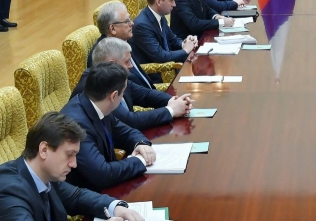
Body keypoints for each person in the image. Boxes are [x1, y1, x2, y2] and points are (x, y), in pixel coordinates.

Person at [0, 111, 144, 220]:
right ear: (44, 150)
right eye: (69, 154)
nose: (74, 164)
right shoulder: (9, 193)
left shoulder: (45, 175)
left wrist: (116, 208)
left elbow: (76, 196)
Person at [61, 62, 156, 191]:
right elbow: (102, 174)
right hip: (87, 195)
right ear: (113, 96)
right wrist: (140, 160)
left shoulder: (95, 103)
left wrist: (140, 143)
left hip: (108, 183)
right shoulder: (76, 125)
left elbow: (124, 131)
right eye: (123, 93)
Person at [74, 37, 192, 130]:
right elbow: (130, 121)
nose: (131, 66)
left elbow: (145, 94)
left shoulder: (115, 77)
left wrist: (173, 101)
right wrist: (171, 110)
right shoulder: (96, 86)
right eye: (127, 61)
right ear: (112, 63)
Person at [90, 1, 159, 89]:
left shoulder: (123, 42)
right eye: (127, 21)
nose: (132, 23)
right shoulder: (106, 55)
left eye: (130, 19)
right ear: (113, 28)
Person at [130, 0, 198, 65]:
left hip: (169, 66)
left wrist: (186, 42)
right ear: (159, 1)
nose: (174, 4)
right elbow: (160, 56)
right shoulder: (142, 25)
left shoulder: (160, 15)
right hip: (156, 74)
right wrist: (185, 50)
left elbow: (172, 40)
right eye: (171, 0)